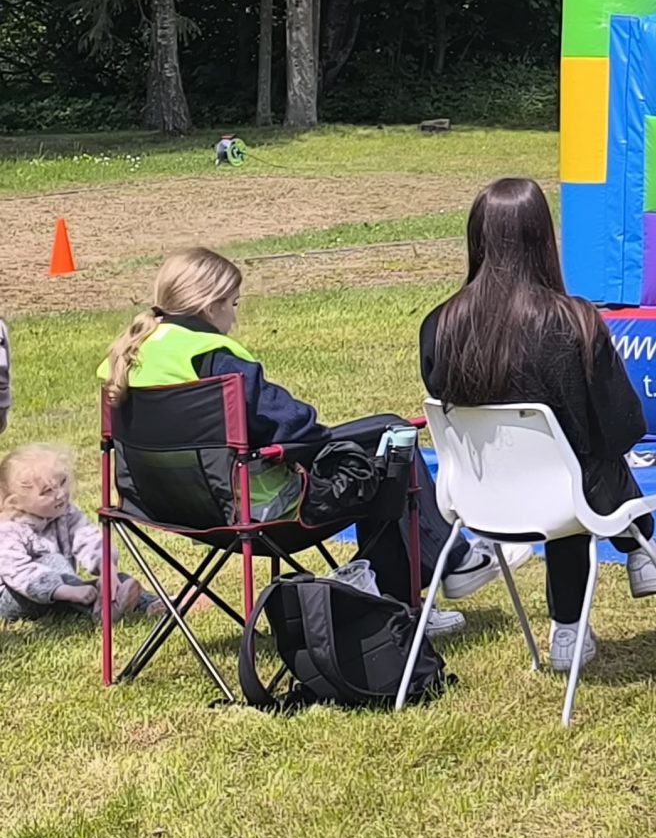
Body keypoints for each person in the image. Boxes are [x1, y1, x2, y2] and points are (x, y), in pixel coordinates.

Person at [99, 248, 496, 636]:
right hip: (258, 508)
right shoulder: (212, 356)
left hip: (165, 507)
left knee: (373, 454)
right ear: (210, 305)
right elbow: (293, 425)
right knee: (390, 442)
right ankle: (419, 585)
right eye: (233, 304)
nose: (235, 317)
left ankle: (408, 584)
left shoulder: (133, 354)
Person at [419, 177, 656, 674]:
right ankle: (633, 557)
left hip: (473, 502)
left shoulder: (439, 325)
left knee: (569, 469)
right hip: (565, 500)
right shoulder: (574, 323)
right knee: (582, 468)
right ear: (544, 238)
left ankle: (628, 568)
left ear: (476, 238)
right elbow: (623, 428)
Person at [0, 443, 154, 623]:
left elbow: (88, 539)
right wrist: (67, 591)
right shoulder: (8, 530)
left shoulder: (65, 513)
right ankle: (101, 610)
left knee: (120, 580)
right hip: (15, 597)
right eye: (47, 491)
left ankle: (154, 604)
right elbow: (20, 573)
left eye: (63, 482)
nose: (60, 494)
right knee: (54, 561)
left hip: (64, 590)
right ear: (16, 502)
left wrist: (107, 568)